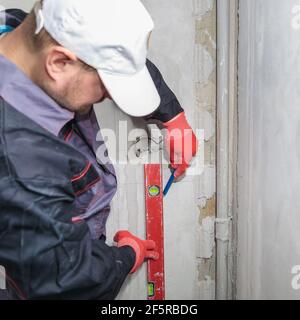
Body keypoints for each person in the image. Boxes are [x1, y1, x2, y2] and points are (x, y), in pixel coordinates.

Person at [0, 0, 198, 299]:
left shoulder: (17, 31)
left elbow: (114, 52)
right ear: (58, 63)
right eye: (106, 85)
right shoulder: (23, 164)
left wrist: (172, 116)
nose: (109, 96)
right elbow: (69, 284)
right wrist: (125, 255)